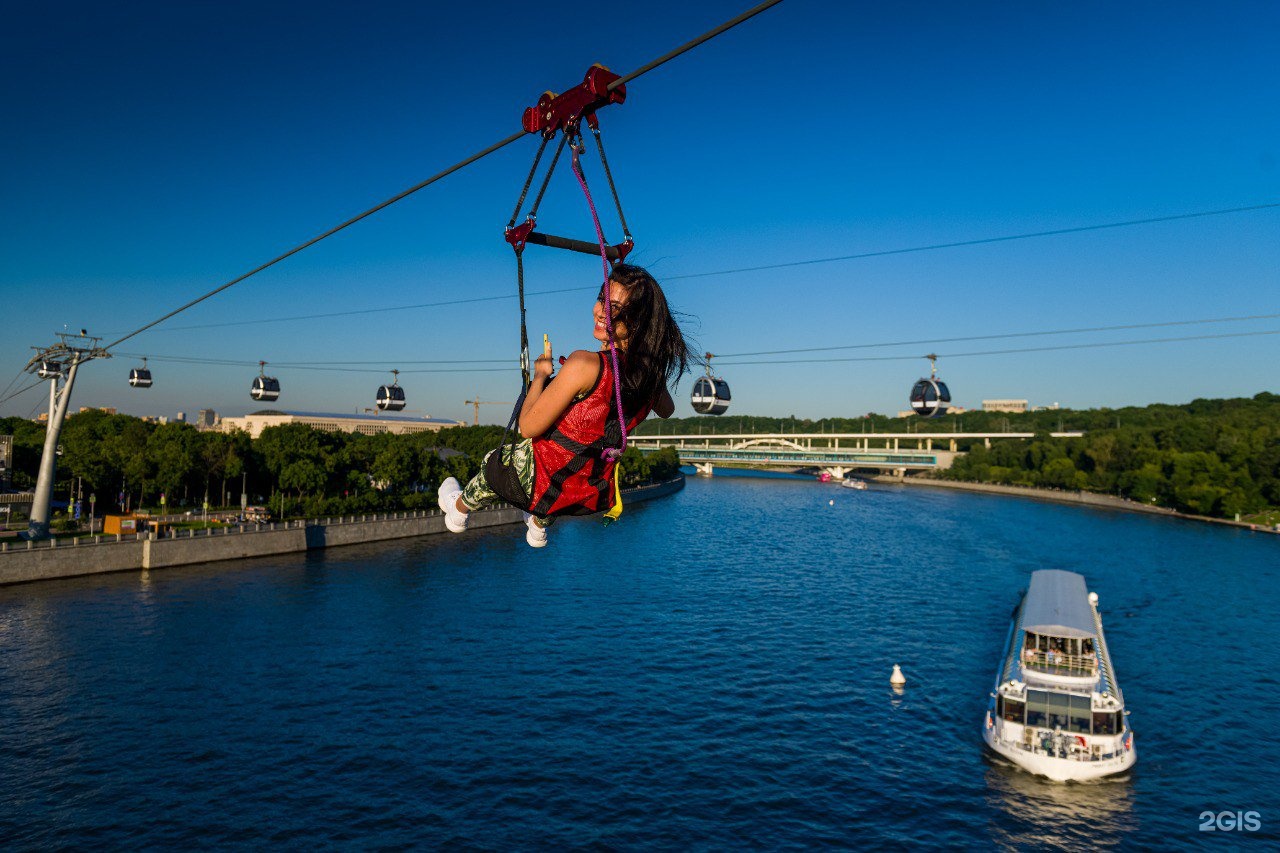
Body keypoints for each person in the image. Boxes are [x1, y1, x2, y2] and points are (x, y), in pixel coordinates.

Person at [438, 264, 689, 547]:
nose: (600, 311)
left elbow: (527, 427)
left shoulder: (584, 364)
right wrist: (645, 366)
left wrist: (541, 376)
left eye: (614, 306)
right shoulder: (648, 379)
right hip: (589, 491)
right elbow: (667, 410)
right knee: (566, 464)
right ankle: (537, 526)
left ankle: (457, 511)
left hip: (539, 481)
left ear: (637, 320)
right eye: (601, 299)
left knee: (497, 463)